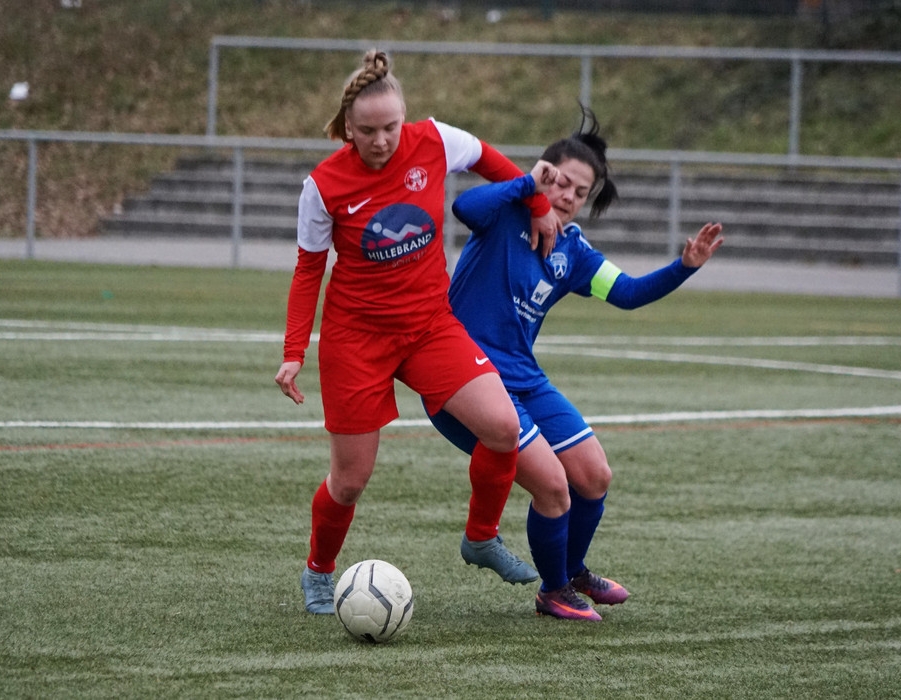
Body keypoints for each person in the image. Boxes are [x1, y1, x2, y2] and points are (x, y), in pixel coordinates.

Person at [275, 50, 562, 615]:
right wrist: (293, 352)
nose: (381, 140)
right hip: (356, 340)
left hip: (430, 326)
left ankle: (480, 537)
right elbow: (308, 270)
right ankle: (319, 571)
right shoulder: (324, 186)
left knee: (503, 427)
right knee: (350, 480)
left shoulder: (434, 140)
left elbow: (494, 161)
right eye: (367, 131)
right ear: (347, 127)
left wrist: (538, 203)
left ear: (403, 118)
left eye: (390, 127)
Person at [428, 107, 724, 621]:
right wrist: (527, 187)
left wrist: (684, 267)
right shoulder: (506, 211)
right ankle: (555, 590)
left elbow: (627, 293)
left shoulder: (573, 250)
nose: (567, 196)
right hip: (466, 379)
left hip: (524, 379)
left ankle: (572, 569)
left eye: (580, 192)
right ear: (543, 171)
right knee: (552, 485)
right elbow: (464, 206)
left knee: (593, 475)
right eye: (560, 182)